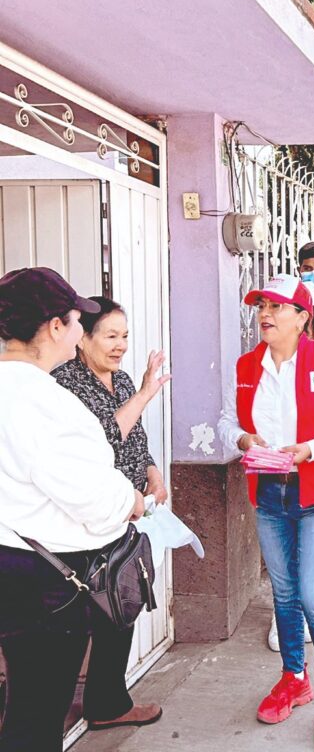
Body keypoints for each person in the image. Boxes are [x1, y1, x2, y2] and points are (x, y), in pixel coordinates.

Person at [218, 274, 314, 751]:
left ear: (303, 317)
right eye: (262, 305)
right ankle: (294, 678)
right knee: (283, 594)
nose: (266, 313)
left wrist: (310, 449)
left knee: (313, 596)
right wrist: (244, 439)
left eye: (278, 306)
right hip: (271, 495)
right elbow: (227, 421)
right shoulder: (246, 366)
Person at [0, 267, 144, 752]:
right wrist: (131, 500)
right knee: (37, 718)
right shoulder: (42, 400)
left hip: (13, 564)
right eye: (76, 319)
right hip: (41, 579)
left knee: (20, 705)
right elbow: (90, 499)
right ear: (54, 327)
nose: (82, 329)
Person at [51, 296, 167, 730]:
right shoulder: (66, 384)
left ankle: (107, 703)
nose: (119, 346)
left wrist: (152, 472)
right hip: (88, 518)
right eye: (110, 336)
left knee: (122, 605)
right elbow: (103, 440)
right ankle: (73, 708)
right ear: (83, 340)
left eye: (124, 336)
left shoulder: (117, 381)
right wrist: (144, 393)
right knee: (87, 615)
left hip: (126, 516)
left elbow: (133, 436)